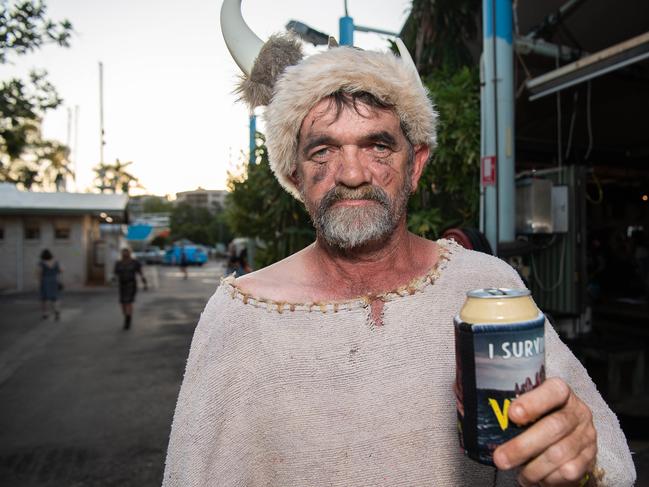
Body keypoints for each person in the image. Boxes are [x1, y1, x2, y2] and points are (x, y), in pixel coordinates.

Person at [163, 4, 635, 486]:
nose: (352, 174)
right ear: (293, 174)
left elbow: (600, 452)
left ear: (416, 163)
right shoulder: (243, 316)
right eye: (322, 150)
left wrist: (578, 453)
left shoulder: (486, 284)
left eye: (378, 146)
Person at [113, 248, 147, 330]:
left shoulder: (134, 262)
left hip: (131, 285)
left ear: (129, 254)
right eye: (123, 253)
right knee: (123, 304)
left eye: (126, 253)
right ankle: (126, 315)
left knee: (128, 302)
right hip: (122, 285)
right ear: (121, 254)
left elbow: (140, 272)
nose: (125, 255)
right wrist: (113, 279)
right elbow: (115, 273)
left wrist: (144, 282)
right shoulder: (118, 263)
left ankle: (128, 320)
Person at [38, 249, 62, 321]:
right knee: (55, 298)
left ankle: (45, 314)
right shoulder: (56, 262)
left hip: (45, 281)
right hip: (54, 281)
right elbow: (61, 270)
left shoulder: (41, 263)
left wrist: (39, 282)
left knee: (44, 298)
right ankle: (57, 311)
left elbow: (39, 273)